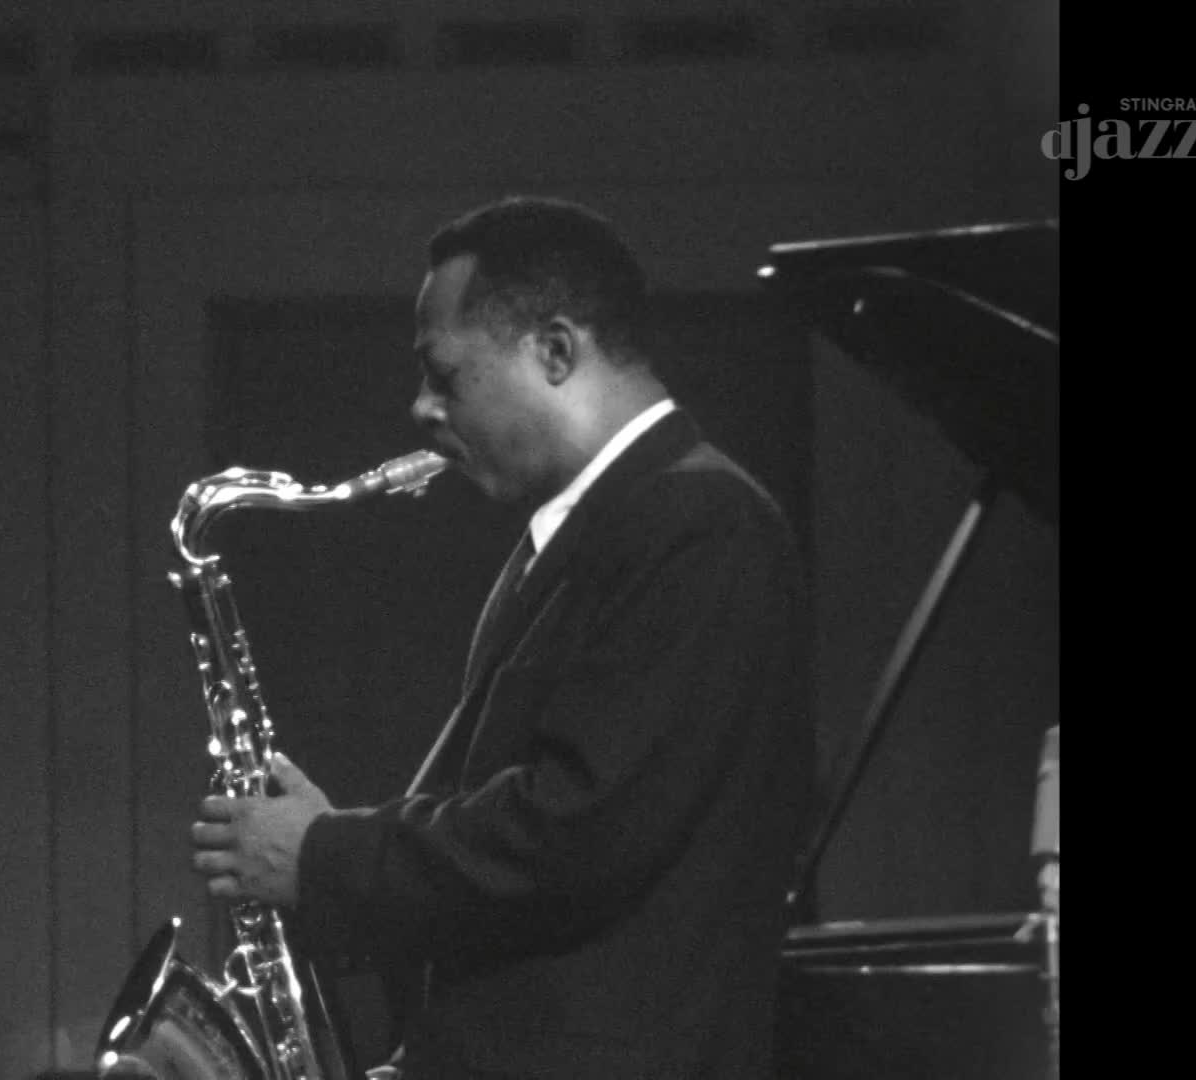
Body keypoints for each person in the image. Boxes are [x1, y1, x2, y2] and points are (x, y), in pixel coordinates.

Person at [189, 196, 813, 1078]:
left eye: (444, 375)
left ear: (555, 352)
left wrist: (324, 856)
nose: (421, 408)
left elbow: (575, 836)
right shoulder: (588, 534)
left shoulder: (703, 526)